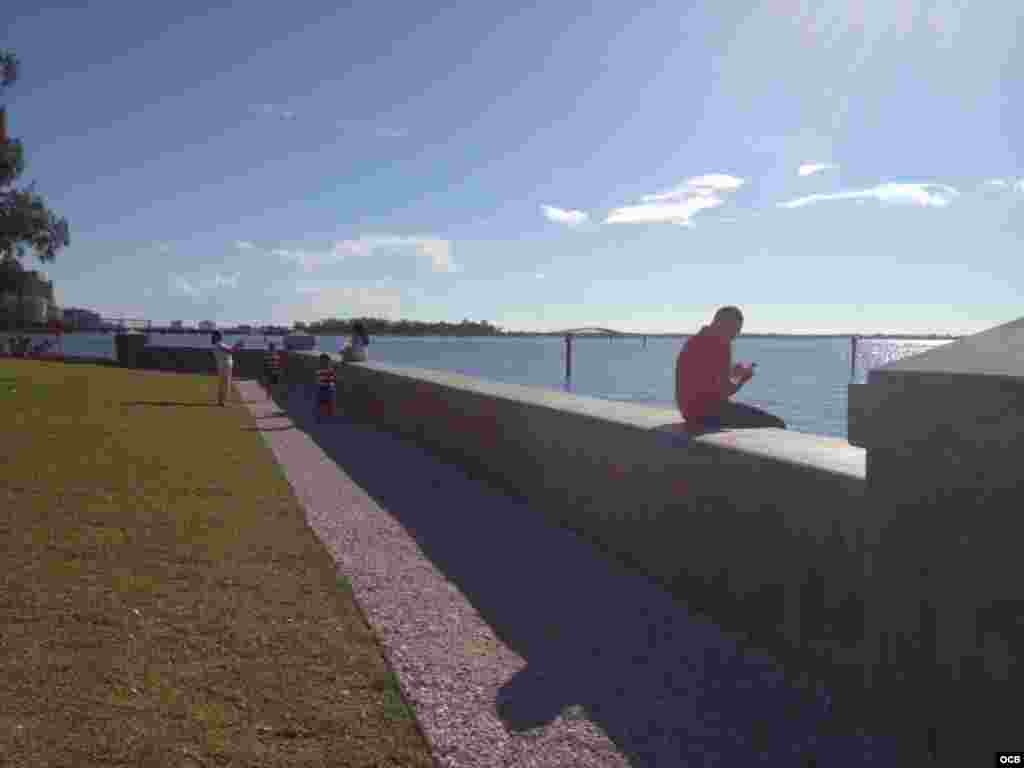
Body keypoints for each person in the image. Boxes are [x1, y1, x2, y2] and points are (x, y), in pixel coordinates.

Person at [675, 306, 786, 432]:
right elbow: (722, 391)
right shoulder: (720, 345)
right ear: (723, 324)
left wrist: (732, 373)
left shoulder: (696, 340)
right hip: (706, 414)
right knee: (777, 424)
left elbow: (707, 381)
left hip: (689, 412)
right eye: (735, 329)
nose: (736, 334)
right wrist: (742, 377)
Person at [210, 331, 234, 406]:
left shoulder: (217, 344)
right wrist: (237, 345)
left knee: (222, 384)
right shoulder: (219, 344)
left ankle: (221, 401)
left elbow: (229, 350)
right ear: (217, 337)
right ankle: (223, 401)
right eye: (219, 335)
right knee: (225, 384)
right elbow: (230, 351)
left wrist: (236, 346)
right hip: (225, 365)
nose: (221, 336)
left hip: (222, 365)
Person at [314, 353, 337, 422]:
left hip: (325, 388)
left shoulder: (321, 369)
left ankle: (323, 416)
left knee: (326, 403)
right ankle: (321, 416)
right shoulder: (322, 370)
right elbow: (327, 377)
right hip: (324, 389)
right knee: (323, 403)